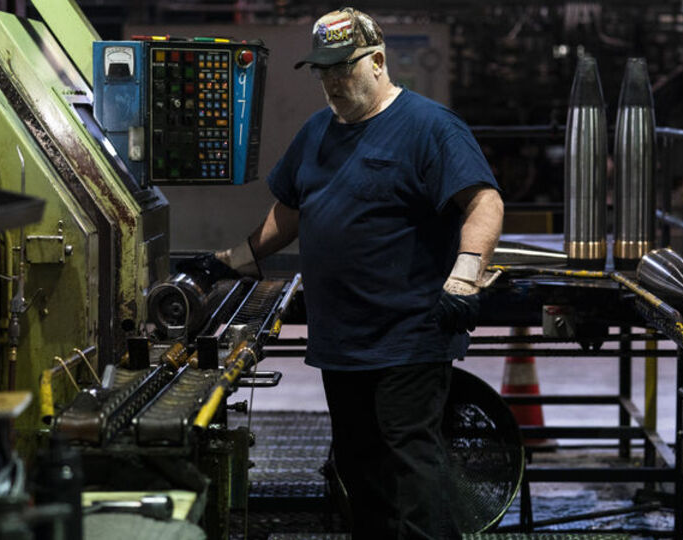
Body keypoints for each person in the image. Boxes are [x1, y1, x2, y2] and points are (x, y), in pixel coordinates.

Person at [216, 7, 504, 538]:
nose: (332, 81)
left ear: (377, 61)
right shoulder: (316, 132)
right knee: (358, 467)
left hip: (407, 337)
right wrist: (236, 258)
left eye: (343, 68)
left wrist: (464, 276)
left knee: (411, 467)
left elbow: (484, 201)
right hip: (340, 342)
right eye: (322, 70)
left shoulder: (430, 127)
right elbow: (292, 209)